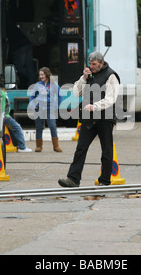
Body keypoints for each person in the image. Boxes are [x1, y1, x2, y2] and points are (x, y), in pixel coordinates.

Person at [58, 51, 120, 187]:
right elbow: (75, 92)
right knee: (81, 148)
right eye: (90, 64)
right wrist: (83, 79)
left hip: (105, 117)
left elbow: (111, 98)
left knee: (106, 150)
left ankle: (104, 181)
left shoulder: (111, 76)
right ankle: (73, 179)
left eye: (94, 64)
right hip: (88, 118)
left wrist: (96, 106)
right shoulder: (88, 74)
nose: (91, 67)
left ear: (101, 63)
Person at [29, 67, 62, 152]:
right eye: (40, 75)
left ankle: (56, 146)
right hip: (39, 108)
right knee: (39, 127)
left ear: (47, 74)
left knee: (52, 126)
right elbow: (32, 96)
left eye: (42, 74)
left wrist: (55, 106)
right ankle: (39, 146)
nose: (41, 76)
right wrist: (33, 105)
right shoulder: (38, 85)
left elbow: (60, 96)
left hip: (50, 108)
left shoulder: (54, 84)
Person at [1, 88, 32, 152]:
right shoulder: (2, 94)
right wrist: (2, 116)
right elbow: (2, 106)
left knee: (12, 129)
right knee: (17, 127)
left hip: (4, 115)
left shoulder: (1, 93)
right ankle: (22, 147)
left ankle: (16, 145)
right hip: (5, 116)